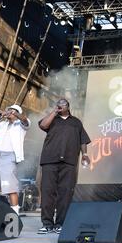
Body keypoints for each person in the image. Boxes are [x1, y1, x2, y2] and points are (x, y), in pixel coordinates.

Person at [37, 98, 91, 234]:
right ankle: (47, 223)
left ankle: (60, 223)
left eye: (64, 104)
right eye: (58, 104)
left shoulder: (76, 122)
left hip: (69, 161)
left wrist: (84, 154)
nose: (61, 105)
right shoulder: (52, 119)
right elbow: (43, 126)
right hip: (50, 159)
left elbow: (83, 140)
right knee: (47, 191)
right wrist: (54, 112)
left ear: (68, 106)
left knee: (65, 193)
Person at [0, 104, 30, 215]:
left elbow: (25, 120)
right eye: (8, 110)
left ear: (16, 113)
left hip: (10, 157)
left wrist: (15, 113)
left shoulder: (21, 125)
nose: (8, 112)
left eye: (11, 111)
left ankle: (14, 214)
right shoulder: (2, 124)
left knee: (10, 187)